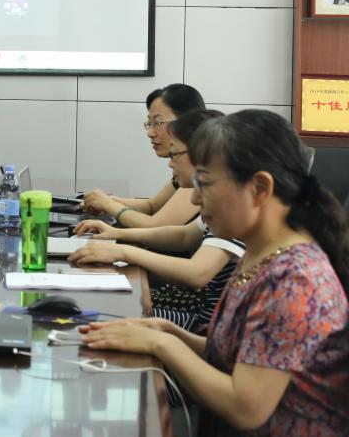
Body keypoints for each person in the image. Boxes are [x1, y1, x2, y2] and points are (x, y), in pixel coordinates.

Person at [81, 110, 349, 434]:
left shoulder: (295, 279)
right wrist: (169, 331)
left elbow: (246, 408)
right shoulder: (262, 252)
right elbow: (234, 355)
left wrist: (162, 344)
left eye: (204, 184)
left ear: (260, 188)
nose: (195, 197)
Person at [70, 109, 244, 332]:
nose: (170, 164)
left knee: (104, 315)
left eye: (174, 155)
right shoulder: (218, 202)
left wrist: (123, 252)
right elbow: (183, 236)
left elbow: (197, 273)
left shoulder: (231, 211)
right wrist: (117, 234)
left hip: (202, 324)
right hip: (201, 320)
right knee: (100, 311)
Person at [81, 84, 204, 228]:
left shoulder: (201, 170)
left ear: (188, 121)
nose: (150, 133)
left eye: (158, 123)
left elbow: (156, 226)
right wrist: (108, 200)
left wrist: (108, 205)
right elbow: (151, 206)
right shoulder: (187, 165)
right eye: (149, 124)